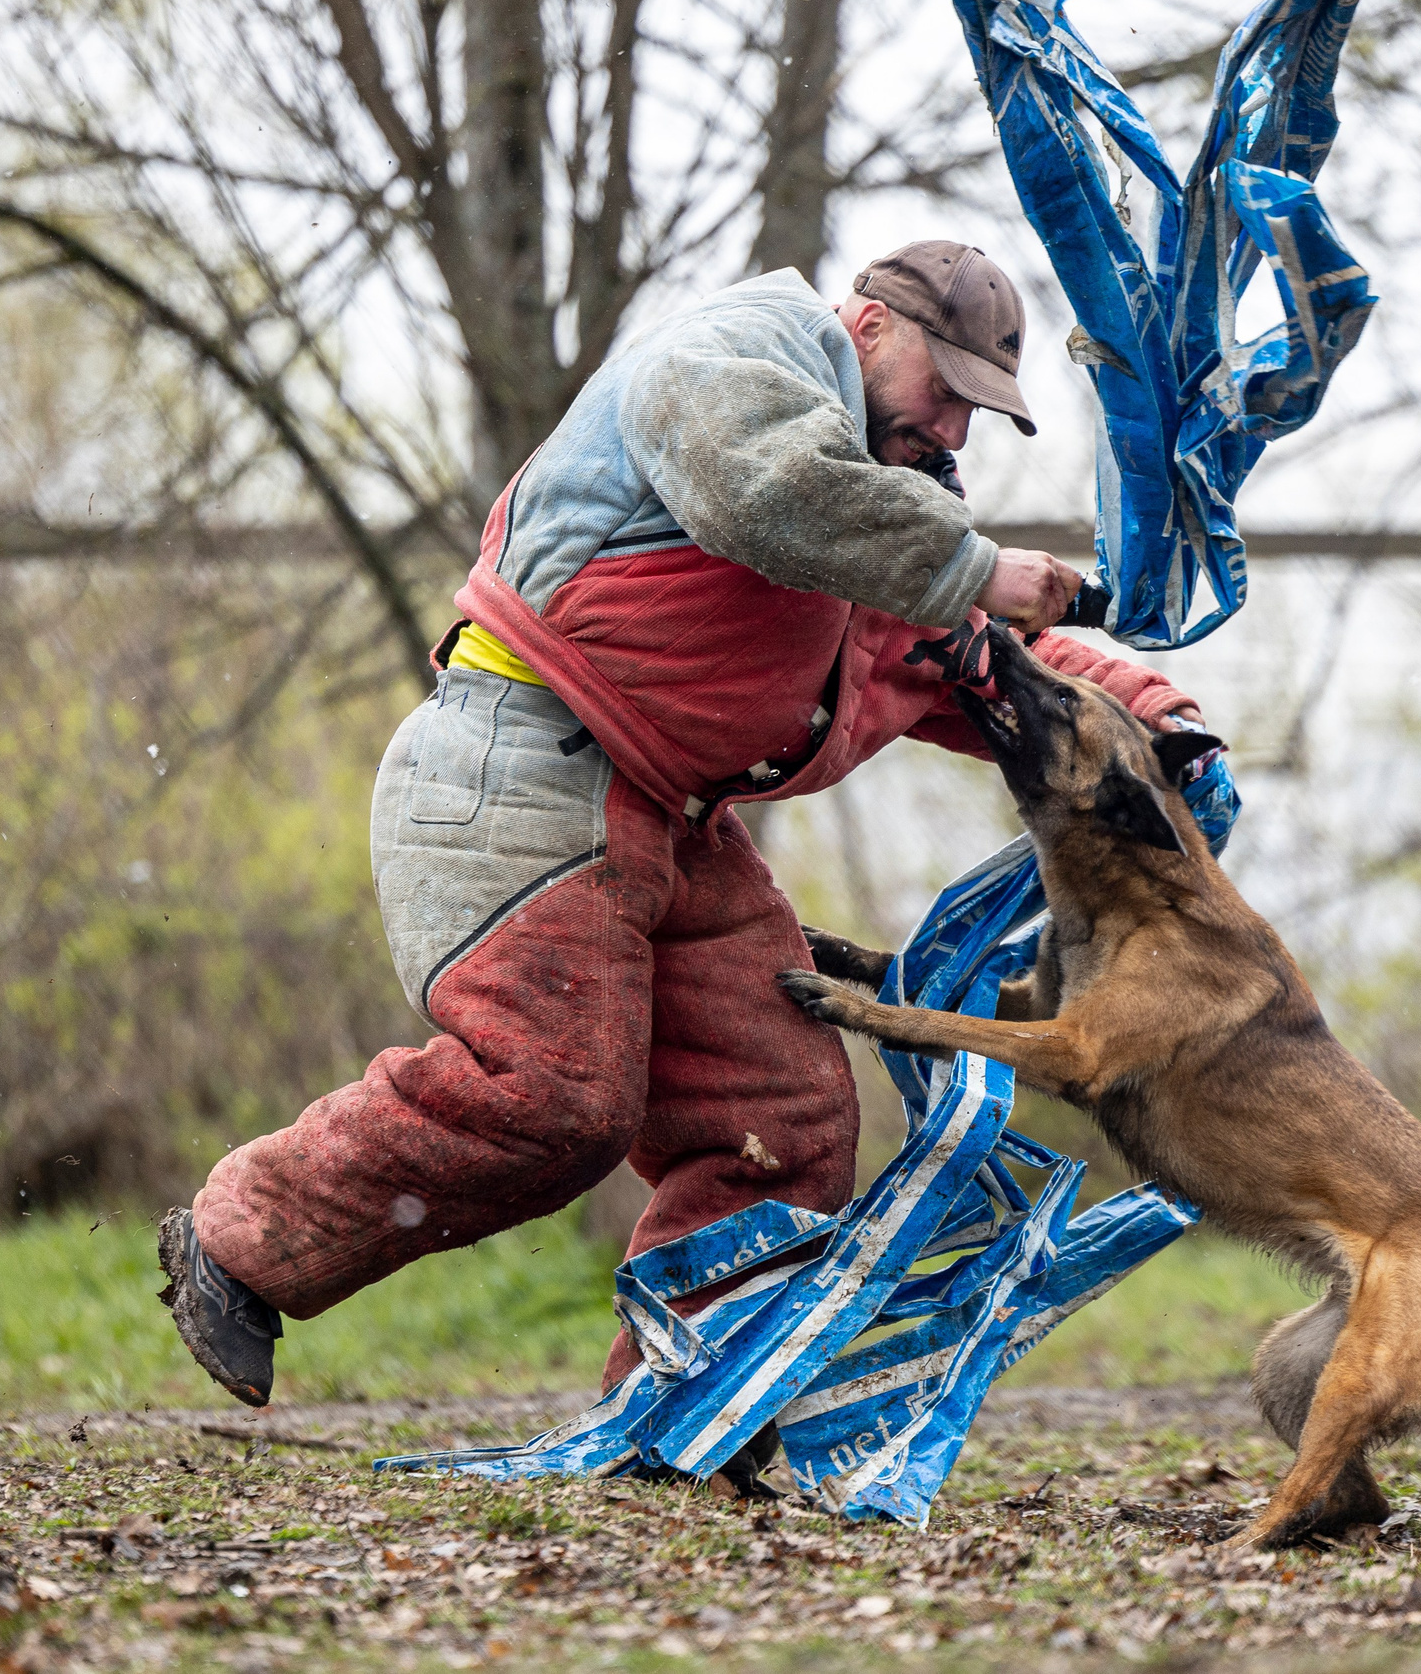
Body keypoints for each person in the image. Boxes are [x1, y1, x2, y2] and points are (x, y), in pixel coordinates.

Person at [158, 240, 1207, 1414]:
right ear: (864, 327)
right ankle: (242, 1234)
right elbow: (768, 494)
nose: (953, 432)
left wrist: (1163, 727)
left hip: (670, 821)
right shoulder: (733, 359)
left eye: (978, 411)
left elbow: (991, 662)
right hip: (525, 766)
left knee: (779, 1121)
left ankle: (684, 1405)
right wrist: (975, 565)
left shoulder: (869, 528)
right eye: (945, 389)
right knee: (551, 1098)